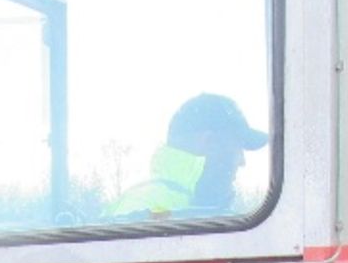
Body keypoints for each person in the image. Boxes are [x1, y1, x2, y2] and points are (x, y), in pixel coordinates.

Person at [110, 93, 269, 219]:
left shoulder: (197, 205)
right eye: (237, 147)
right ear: (209, 142)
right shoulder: (142, 206)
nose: (242, 161)